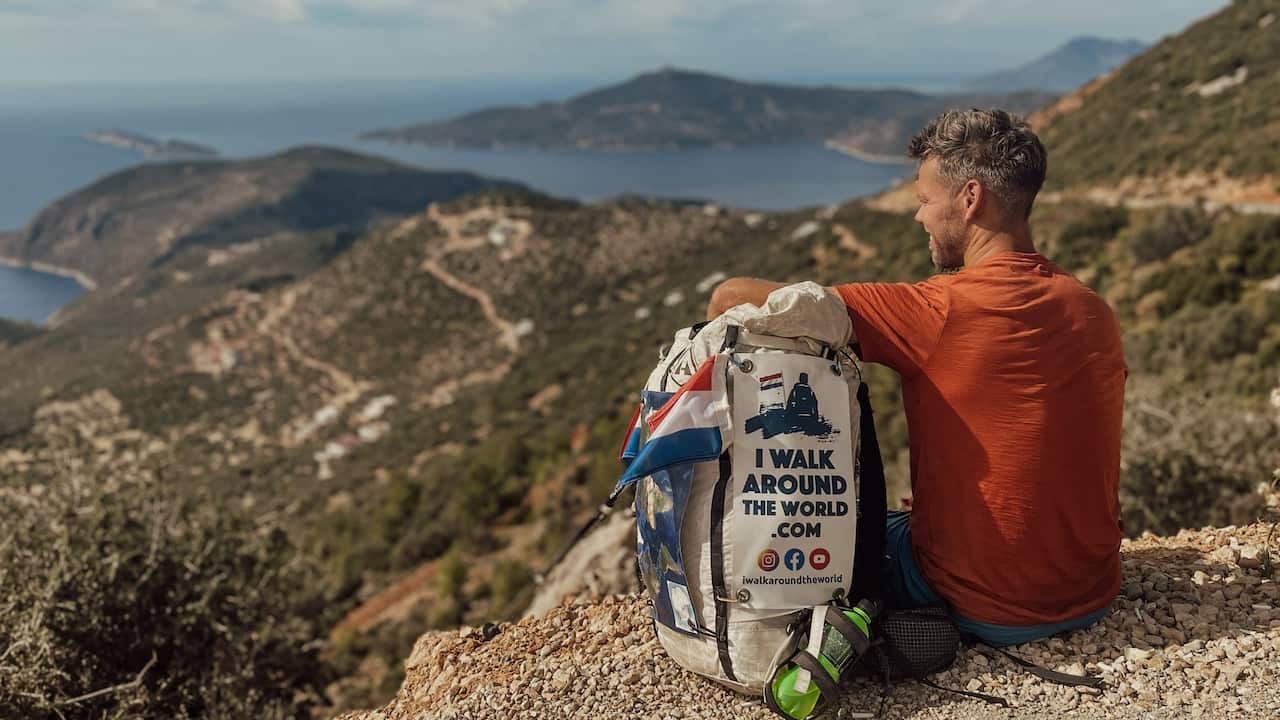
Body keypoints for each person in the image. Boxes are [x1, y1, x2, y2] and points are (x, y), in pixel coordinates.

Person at [705, 109, 1126, 646]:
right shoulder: (1094, 310)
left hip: (986, 604)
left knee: (823, 535)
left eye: (925, 201)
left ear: (970, 198)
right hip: (1091, 592)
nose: (918, 218)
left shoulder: (938, 310)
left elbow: (731, 297)